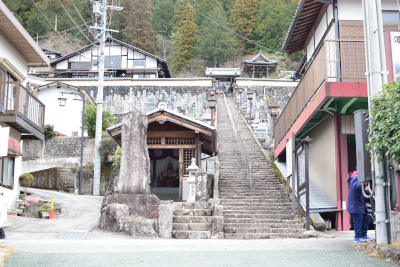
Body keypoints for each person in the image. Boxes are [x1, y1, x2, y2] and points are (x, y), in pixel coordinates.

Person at [347, 167, 374, 243]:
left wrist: (366, 190)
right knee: (358, 221)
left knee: (365, 219)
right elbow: (356, 186)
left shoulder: (359, 177)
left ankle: (363, 235)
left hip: (361, 204)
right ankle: (358, 236)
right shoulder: (355, 177)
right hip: (355, 205)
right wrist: (364, 184)